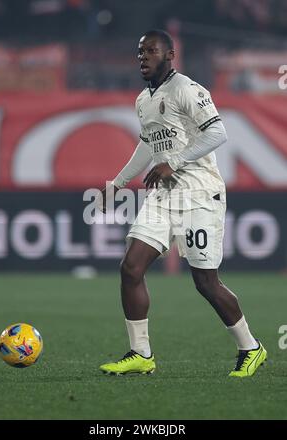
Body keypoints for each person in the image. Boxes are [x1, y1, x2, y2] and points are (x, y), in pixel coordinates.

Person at [98, 29, 267, 377]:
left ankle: (251, 347)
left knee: (205, 282)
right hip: (164, 195)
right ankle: (141, 353)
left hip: (200, 193)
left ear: (170, 55)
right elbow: (147, 145)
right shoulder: (143, 100)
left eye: (151, 51)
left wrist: (173, 162)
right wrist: (118, 182)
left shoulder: (187, 90)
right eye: (140, 51)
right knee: (130, 268)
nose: (143, 57)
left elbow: (218, 132)